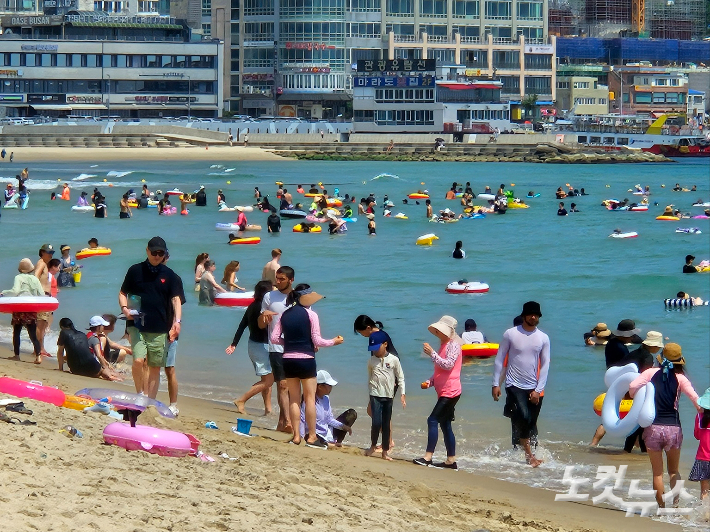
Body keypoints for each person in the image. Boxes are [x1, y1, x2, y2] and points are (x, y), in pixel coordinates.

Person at [269, 284, 344, 448]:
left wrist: (288, 344)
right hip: (306, 359)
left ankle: (296, 436)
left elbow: (274, 338)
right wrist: (334, 342)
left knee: (294, 399)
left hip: (288, 359)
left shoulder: (284, 314)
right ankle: (311, 436)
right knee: (310, 398)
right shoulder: (311, 315)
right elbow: (317, 341)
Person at [630, 343, 700, 508]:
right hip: (673, 429)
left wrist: (635, 398)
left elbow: (632, 386)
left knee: (657, 473)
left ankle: (661, 509)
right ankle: (675, 506)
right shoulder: (681, 378)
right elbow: (697, 402)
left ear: (662, 358)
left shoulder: (650, 373)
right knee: (674, 471)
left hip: (652, 428)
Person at [118, 236, 185, 399]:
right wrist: (125, 309)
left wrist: (177, 322)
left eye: (160, 253)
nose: (157, 256)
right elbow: (123, 293)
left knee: (155, 366)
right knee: (139, 360)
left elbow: (176, 299)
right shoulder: (135, 270)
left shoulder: (171, 276)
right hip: (137, 324)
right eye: (154, 252)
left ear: (165, 254)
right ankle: (140, 394)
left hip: (160, 327)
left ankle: (150, 401)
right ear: (147, 251)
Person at [492, 301, 550, 468]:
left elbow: (545, 365)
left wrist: (538, 389)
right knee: (523, 417)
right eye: (531, 314)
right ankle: (529, 456)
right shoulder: (510, 334)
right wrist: (496, 383)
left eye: (536, 314)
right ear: (524, 315)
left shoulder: (543, 338)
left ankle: (528, 452)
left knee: (531, 423)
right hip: (513, 384)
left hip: (534, 386)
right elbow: (499, 359)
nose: (533, 317)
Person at [414, 315, 462, 469]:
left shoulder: (453, 345)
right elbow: (440, 372)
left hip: (451, 391)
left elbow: (448, 365)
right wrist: (430, 382)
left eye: (439, 331)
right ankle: (451, 460)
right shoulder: (443, 345)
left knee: (432, 420)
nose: (437, 333)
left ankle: (428, 457)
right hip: (444, 391)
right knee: (445, 423)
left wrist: (432, 354)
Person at [227, 280, 274, 415]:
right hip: (261, 348)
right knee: (268, 381)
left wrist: (234, 344)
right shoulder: (263, 309)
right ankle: (241, 400)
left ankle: (268, 409)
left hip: (254, 346)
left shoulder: (252, 306)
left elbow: (242, 326)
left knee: (266, 379)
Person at [259, 265, 295, 432]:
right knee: (282, 385)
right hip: (275, 348)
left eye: (282, 279)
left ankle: (282, 422)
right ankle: (288, 421)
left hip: (296, 347)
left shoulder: (298, 297)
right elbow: (260, 325)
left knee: (292, 386)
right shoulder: (269, 296)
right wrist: (264, 317)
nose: (278, 282)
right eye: (277, 279)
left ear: (291, 280)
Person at [365, 330, 406, 460]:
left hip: (388, 396)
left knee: (386, 423)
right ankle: (372, 445)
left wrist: (402, 394)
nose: (375, 351)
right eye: (373, 349)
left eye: (377, 348)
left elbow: (400, 378)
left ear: (385, 344)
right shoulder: (371, 361)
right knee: (376, 422)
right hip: (375, 394)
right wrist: (371, 392)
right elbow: (370, 377)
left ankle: (385, 452)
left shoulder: (393, 360)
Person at [1, 258, 44, 363]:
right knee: (32, 333)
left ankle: (17, 355)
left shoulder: (18, 277)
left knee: (17, 332)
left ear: (20, 269)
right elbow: (41, 294)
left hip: (20, 307)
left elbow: (15, 291)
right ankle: (38, 356)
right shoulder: (35, 279)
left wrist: (3, 293)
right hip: (31, 307)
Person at [299, 369, 355, 447]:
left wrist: (343, 426)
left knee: (351, 414)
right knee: (313, 437)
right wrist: (301, 437)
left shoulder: (326, 399)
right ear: (320, 387)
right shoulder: (309, 400)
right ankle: (330, 444)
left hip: (327, 433)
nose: (331, 388)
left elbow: (329, 419)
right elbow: (302, 419)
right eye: (329, 385)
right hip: (314, 435)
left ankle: (334, 442)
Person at [56, 318, 122, 380]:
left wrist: (61, 369)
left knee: (100, 374)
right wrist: (105, 367)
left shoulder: (63, 333)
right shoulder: (82, 335)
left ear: (62, 327)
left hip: (75, 369)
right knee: (105, 375)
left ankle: (111, 376)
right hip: (93, 367)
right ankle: (118, 378)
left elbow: (60, 352)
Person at [689, 388, 710, 503]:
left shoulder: (699, 417)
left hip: (703, 458)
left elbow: (697, 435)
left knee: (704, 491)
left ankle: (705, 515)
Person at [34, 243, 54, 358]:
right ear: (42, 252)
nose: (51, 255)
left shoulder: (44, 264)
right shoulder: (41, 263)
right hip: (42, 297)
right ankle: (40, 348)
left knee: (43, 324)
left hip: (45, 297)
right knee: (40, 324)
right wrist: (40, 294)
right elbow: (35, 277)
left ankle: (39, 348)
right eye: (49, 252)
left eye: (52, 253)